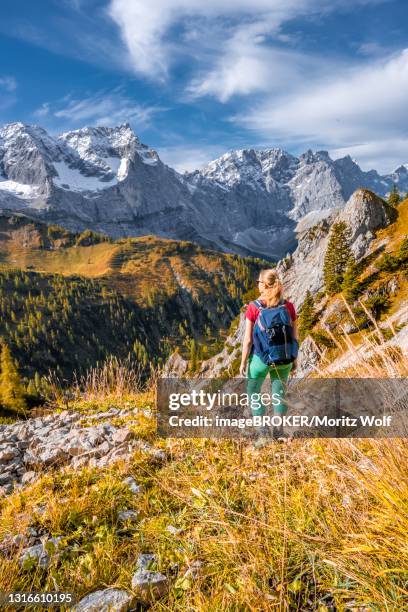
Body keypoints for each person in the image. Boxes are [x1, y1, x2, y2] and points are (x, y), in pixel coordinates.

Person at [239, 269, 298, 442]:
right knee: (279, 392)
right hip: (285, 357)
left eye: (259, 281)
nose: (257, 284)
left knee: (253, 391)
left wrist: (243, 362)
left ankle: (264, 434)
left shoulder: (254, 307)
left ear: (265, 285)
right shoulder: (288, 306)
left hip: (261, 359)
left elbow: (248, 340)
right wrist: (294, 359)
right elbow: (295, 336)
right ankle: (279, 432)